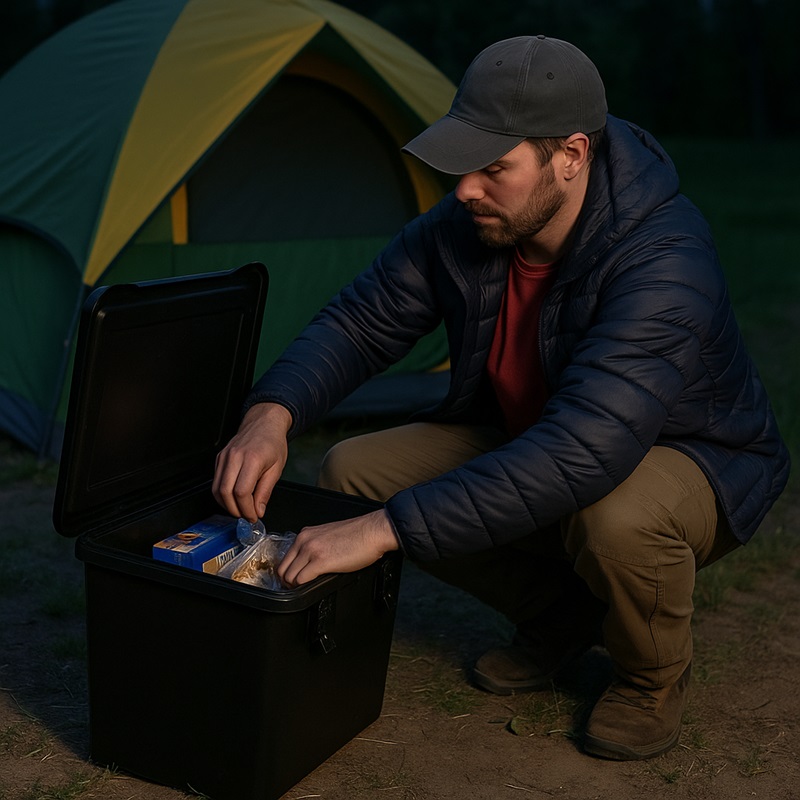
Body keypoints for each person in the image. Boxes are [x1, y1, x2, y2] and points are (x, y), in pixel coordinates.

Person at [212, 35, 789, 761]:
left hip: (691, 459)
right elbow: (361, 321)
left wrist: (388, 530)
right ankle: (561, 617)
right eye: (463, 163)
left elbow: (585, 449)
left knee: (613, 516)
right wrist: (274, 412)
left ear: (571, 155)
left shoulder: (665, 260)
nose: (465, 189)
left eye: (494, 167)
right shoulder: (469, 224)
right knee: (352, 474)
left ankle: (649, 679)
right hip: (537, 434)